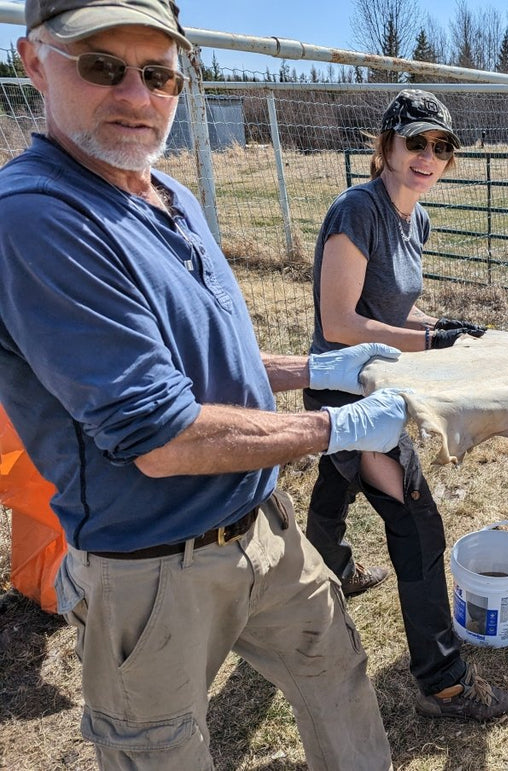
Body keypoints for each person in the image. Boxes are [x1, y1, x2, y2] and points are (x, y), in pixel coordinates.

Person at [0, 1, 408, 768]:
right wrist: (336, 429)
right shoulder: (37, 220)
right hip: (152, 570)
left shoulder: (171, 195)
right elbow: (160, 435)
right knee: (164, 753)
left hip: (262, 524)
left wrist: (314, 370)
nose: (135, 94)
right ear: (33, 61)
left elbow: (206, 370)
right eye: (101, 66)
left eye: (158, 73)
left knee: (338, 674)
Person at [303, 88, 508, 722]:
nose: (428, 156)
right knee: (415, 519)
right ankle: (442, 680)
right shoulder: (356, 210)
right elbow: (340, 322)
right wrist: (426, 339)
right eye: (416, 142)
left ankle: (328, 566)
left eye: (441, 147)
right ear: (387, 145)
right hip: (347, 392)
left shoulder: (414, 215)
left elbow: (392, 310)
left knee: (334, 483)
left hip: (378, 384)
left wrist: (441, 327)